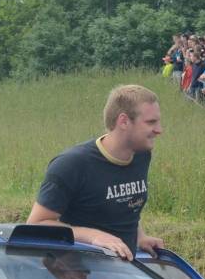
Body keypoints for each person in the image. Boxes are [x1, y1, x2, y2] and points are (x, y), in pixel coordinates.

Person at [27, 84, 164, 261]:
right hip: (77, 271)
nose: (159, 130)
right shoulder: (71, 164)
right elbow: (36, 224)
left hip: (121, 269)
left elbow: (125, 205)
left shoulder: (141, 155)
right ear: (123, 121)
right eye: (151, 122)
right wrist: (93, 236)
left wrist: (140, 236)